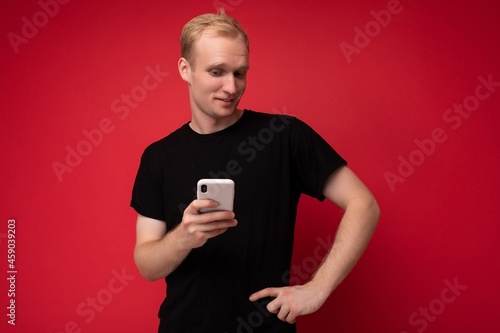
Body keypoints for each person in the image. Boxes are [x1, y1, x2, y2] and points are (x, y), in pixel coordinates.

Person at [131, 9, 380, 333]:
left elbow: (364, 204)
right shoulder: (158, 156)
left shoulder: (284, 135)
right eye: (217, 72)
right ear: (185, 69)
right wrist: (183, 237)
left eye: (240, 73)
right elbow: (147, 265)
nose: (231, 87)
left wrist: (319, 288)